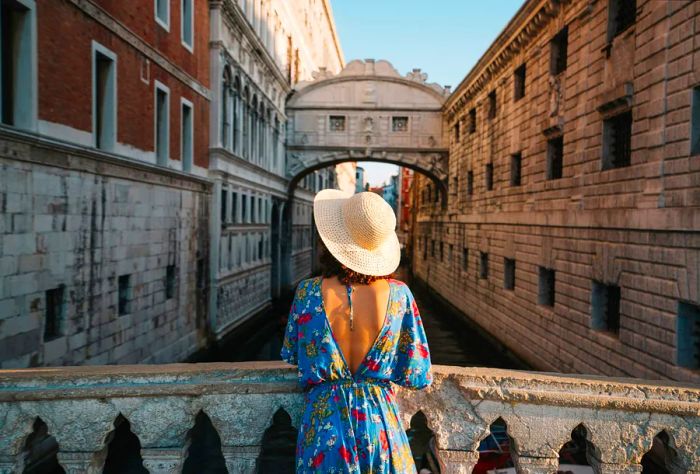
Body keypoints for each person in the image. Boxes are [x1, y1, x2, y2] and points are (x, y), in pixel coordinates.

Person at [280, 189, 433, 473]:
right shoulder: (400, 296)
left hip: (323, 430)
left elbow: (293, 354)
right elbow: (418, 376)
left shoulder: (307, 293)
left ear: (332, 242)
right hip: (380, 428)